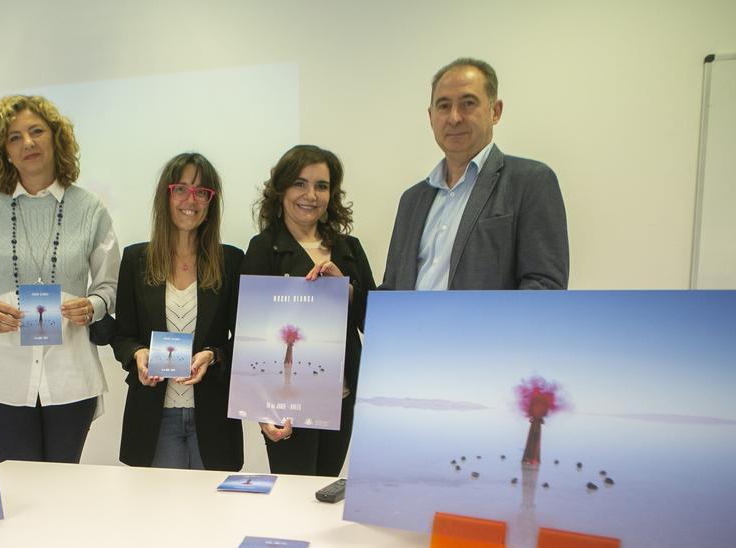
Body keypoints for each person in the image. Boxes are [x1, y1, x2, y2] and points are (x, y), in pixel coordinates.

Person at [0, 95, 120, 463]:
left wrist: (93, 305)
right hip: (4, 375)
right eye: (14, 137)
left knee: (63, 486)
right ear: (4, 152)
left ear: (56, 139)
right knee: (17, 491)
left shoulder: (90, 208)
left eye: (36, 131)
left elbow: (110, 286)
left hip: (71, 375)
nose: (27, 143)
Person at [242, 144, 377, 477]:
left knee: (323, 494)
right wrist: (262, 412)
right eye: (300, 183)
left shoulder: (349, 248)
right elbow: (246, 333)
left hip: (343, 397)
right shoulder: (263, 249)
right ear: (282, 189)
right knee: (291, 500)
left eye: (321, 186)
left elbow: (376, 321)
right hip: (287, 404)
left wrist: (345, 291)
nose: (310, 195)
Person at [383, 57, 569, 290]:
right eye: (443, 106)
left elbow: (544, 285)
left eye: (468, 103)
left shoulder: (531, 182)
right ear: (431, 117)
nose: (454, 117)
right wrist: (347, 295)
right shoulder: (411, 201)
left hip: (488, 328)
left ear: (495, 111)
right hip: (410, 328)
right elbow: (392, 291)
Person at [112, 152, 244, 471]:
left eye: (202, 192)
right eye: (181, 189)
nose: (191, 200)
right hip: (155, 418)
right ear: (166, 195)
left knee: (213, 516)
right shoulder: (135, 260)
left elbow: (244, 341)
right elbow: (122, 336)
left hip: (212, 416)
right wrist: (138, 353)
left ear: (211, 202)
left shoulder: (231, 261)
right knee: (161, 516)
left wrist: (212, 355)